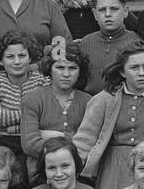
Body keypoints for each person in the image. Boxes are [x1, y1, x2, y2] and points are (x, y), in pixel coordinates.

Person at [74, 43, 144, 189]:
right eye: (134, 68)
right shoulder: (105, 99)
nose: (142, 73)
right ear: (123, 71)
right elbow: (85, 139)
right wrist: (72, 168)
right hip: (114, 167)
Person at [20, 41, 92, 180]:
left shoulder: (88, 101)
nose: (66, 74)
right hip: (41, 171)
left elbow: (90, 142)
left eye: (72, 68)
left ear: (80, 71)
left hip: (78, 171)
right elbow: (30, 144)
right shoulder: (33, 99)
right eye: (59, 67)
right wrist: (70, 140)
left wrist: (51, 135)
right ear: (50, 69)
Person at [0, 30, 48, 179]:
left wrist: (9, 122)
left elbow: (47, 115)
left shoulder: (41, 80)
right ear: (0, 60)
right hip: (1, 140)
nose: (17, 61)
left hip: (33, 138)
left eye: (22, 55)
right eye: (10, 57)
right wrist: (30, 115)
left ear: (30, 58)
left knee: (31, 174)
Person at [77, 0, 144, 95]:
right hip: (90, 107)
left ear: (125, 11)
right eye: (102, 10)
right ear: (95, 14)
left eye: (114, 9)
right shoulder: (85, 43)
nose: (108, 14)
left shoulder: (137, 42)